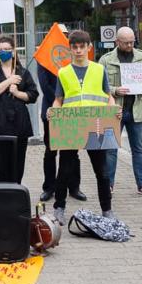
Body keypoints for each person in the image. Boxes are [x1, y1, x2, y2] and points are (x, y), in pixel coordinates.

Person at [47, 30, 120, 225]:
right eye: (75, 47)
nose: (79, 50)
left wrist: (113, 110)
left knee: (101, 171)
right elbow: (58, 99)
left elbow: (107, 95)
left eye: (82, 47)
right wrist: (53, 112)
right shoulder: (63, 72)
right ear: (70, 49)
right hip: (71, 125)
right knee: (64, 169)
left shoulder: (99, 70)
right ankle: (59, 209)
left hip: (95, 124)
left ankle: (107, 210)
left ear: (89, 47)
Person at [100, 27, 142, 198]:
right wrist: (115, 90)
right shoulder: (106, 60)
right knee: (110, 149)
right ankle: (108, 185)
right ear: (117, 42)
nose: (130, 45)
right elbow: (99, 87)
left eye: (132, 41)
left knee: (138, 149)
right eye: (126, 42)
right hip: (115, 112)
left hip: (136, 111)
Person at [0, 35, 39, 183]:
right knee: (1, 169)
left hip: (19, 127)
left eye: (7, 49)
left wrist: (18, 93)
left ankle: (16, 197)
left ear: (13, 51)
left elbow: (33, 96)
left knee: (17, 168)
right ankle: (3, 199)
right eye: (0, 50)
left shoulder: (23, 72)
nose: (3, 52)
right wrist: (8, 81)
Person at [38, 24, 86, 203]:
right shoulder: (44, 57)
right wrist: (61, 101)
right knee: (51, 151)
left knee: (73, 152)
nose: (64, 38)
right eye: (61, 35)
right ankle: (49, 188)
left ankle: (74, 187)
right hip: (53, 112)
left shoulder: (75, 58)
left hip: (73, 112)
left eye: (66, 35)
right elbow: (45, 86)